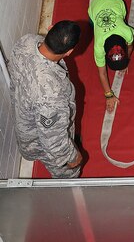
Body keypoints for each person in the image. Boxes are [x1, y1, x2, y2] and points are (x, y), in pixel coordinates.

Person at [8, 21, 83, 179]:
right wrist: (72, 157)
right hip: (40, 142)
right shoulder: (51, 93)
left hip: (26, 119)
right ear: (69, 52)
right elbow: (53, 141)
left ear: (49, 29)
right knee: (68, 174)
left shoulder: (27, 41)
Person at [86, 0, 134, 112]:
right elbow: (101, 73)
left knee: (119, 18)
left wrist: (126, 61)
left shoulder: (127, 32)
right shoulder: (98, 46)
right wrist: (109, 95)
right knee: (92, 23)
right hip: (102, 5)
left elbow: (129, 48)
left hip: (117, 1)